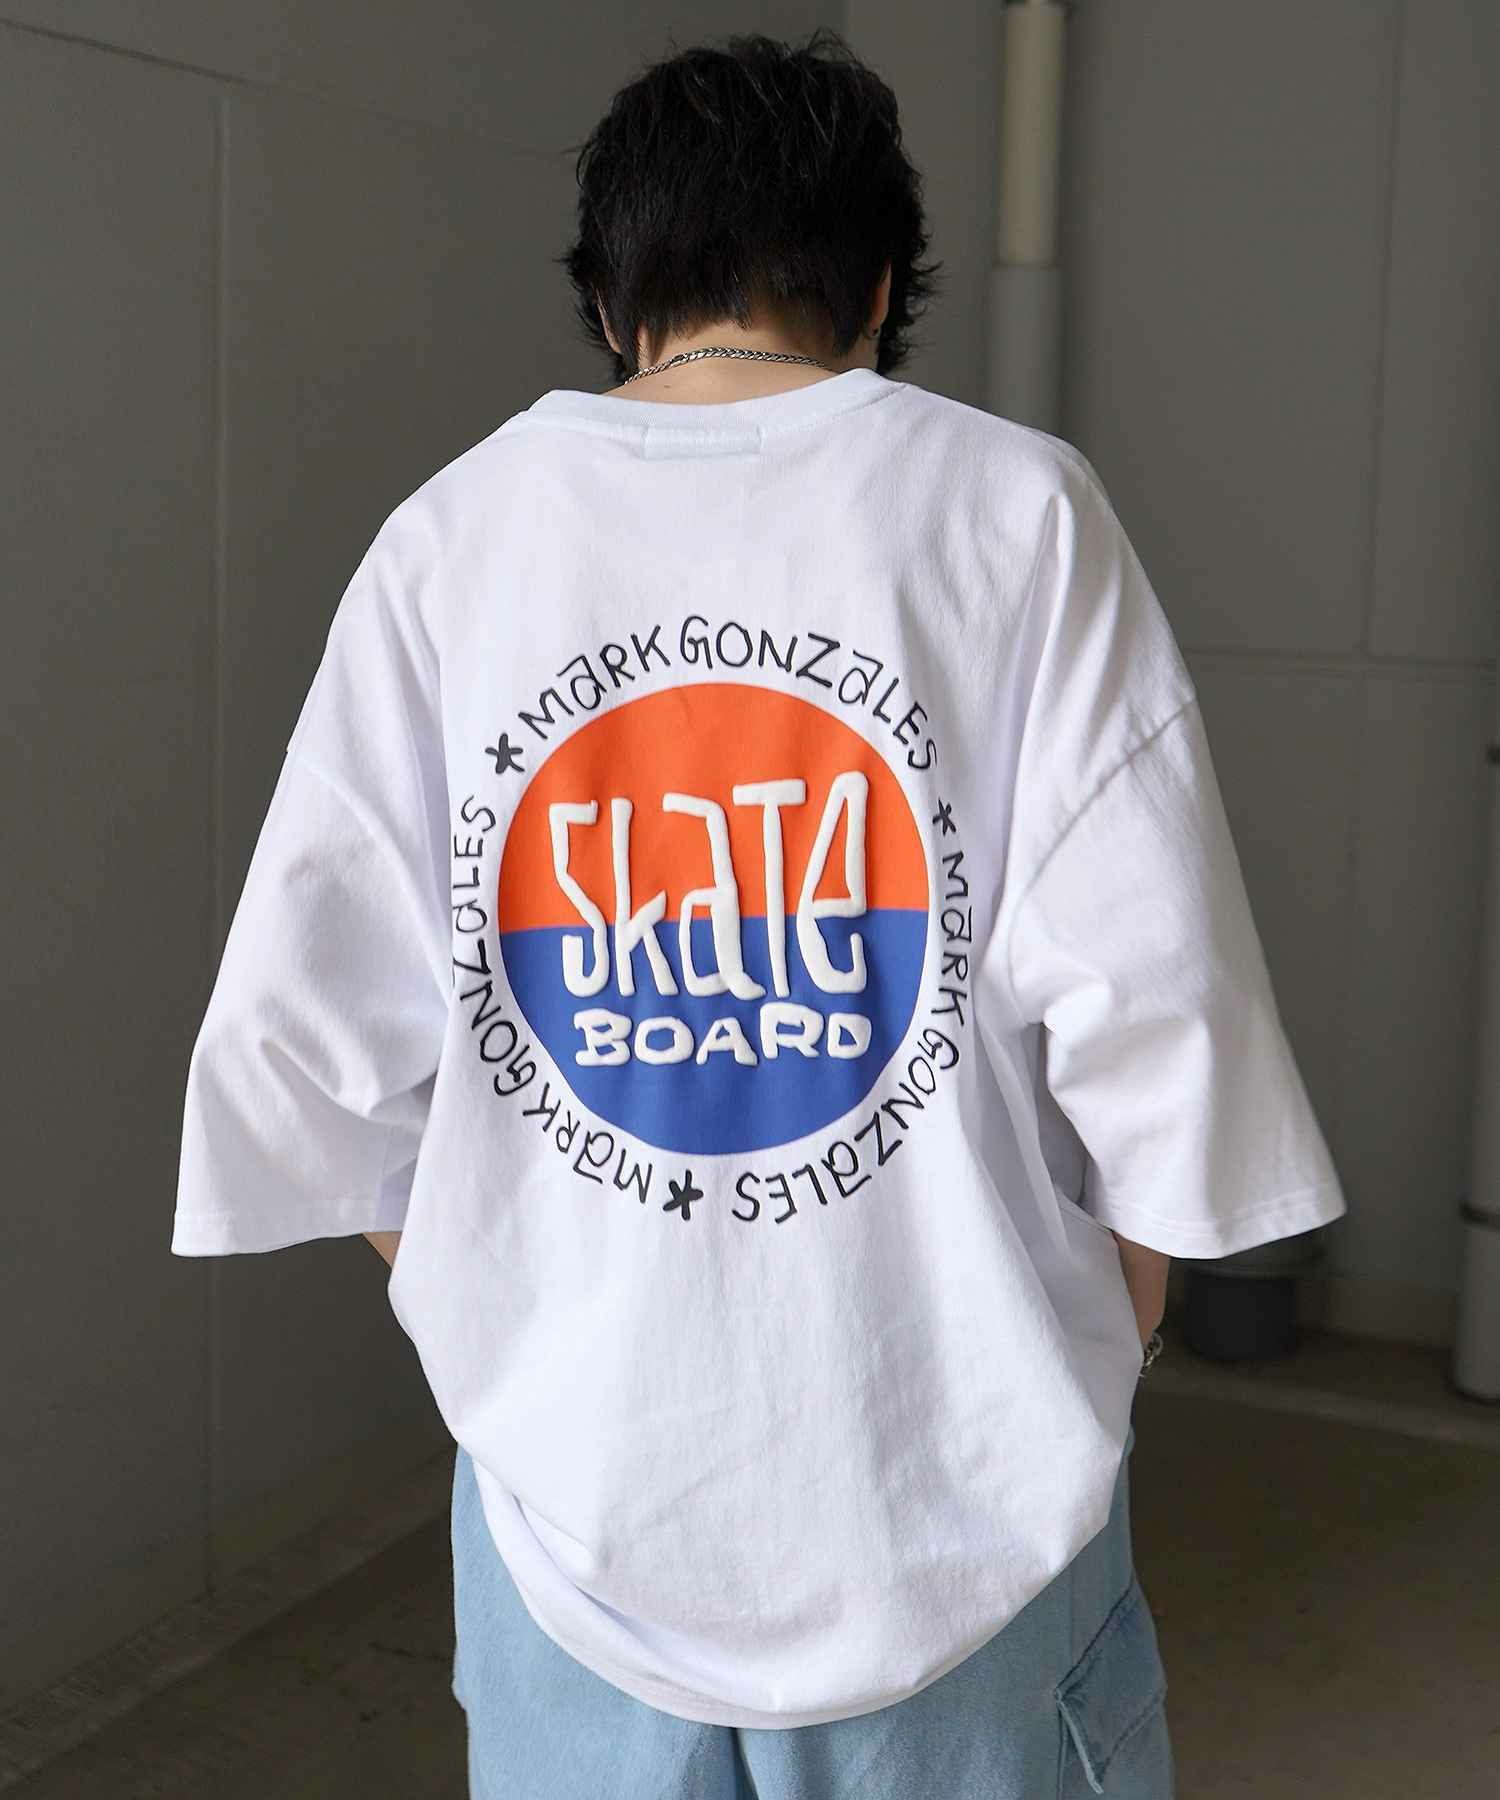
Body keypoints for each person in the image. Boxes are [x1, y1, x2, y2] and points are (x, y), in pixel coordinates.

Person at [170, 25, 1347, 1798]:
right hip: (964, 1519)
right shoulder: (1015, 513)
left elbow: (303, 1061)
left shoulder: (452, 540)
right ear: (877, 289)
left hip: (572, 1539)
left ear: (611, 295)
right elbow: (1162, 1024)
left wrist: (514, 1341)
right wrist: (1086, 1364)